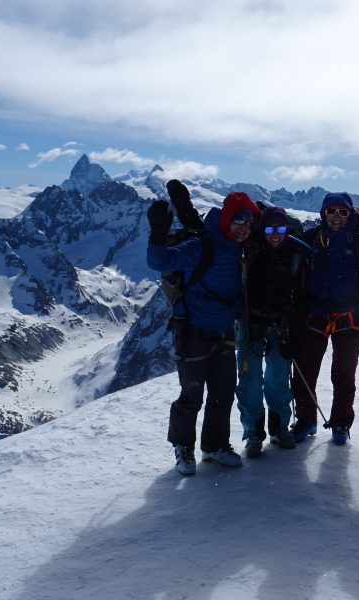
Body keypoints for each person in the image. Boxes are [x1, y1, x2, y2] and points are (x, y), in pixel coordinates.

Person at [146, 182, 260, 475]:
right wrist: (158, 233)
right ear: (227, 219)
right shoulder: (201, 245)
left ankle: (214, 446)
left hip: (224, 332)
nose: (244, 227)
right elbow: (157, 261)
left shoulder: (238, 246)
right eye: (239, 219)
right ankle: (183, 449)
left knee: (223, 394)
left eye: (249, 221)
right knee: (192, 396)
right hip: (194, 331)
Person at [289, 192, 359, 445]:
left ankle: (341, 423)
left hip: (348, 316)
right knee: (305, 373)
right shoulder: (311, 240)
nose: (337, 217)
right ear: (323, 213)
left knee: (344, 375)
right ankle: (306, 420)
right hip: (315, 315)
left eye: (343, 212)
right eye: (332, 211)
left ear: (350, 214)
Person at [235, 206, 305, 457]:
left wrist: (295, 332)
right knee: (250, 380)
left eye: (280, 229)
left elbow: (300, 295)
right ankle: (253, 433)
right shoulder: (250, 251)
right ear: (261, 229)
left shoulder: (295, 254)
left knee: (277, 378)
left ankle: (278, 428)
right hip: (250, 321)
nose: (275, 234)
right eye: (269, 229)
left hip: (279, 323)